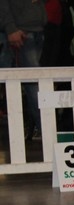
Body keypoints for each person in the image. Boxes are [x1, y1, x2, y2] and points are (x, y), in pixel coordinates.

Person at [0, 0, 48, 139]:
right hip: (20, 31)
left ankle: (40, 128)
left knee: (32, 83)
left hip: (34, 28)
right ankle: (45, 129)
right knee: (32, 83)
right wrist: (10, 28)